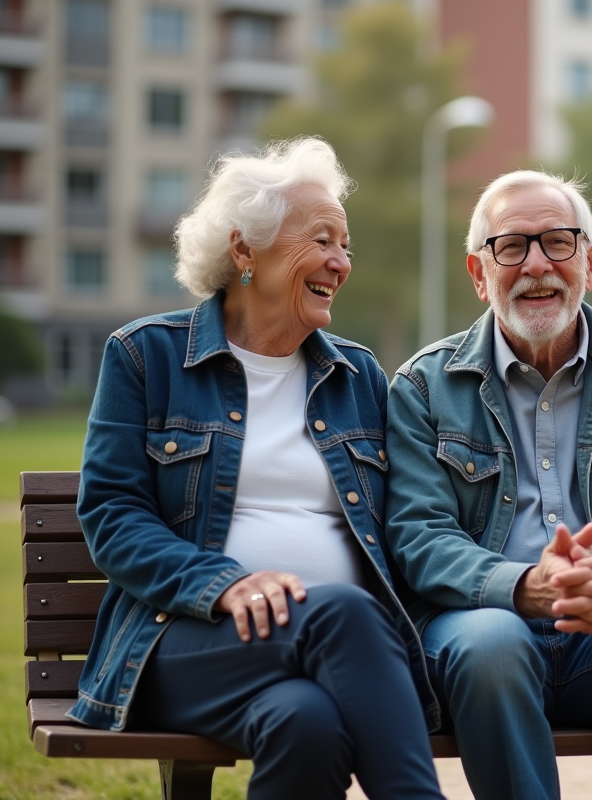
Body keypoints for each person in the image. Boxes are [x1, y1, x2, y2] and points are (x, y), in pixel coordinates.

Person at [71, 138, 446, 800]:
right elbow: (112, 513)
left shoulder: (357, 375)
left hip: (326, 659)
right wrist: (221, 584)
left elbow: (410, 521)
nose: (341, 262)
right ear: (245, 251)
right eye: (323, 240)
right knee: (345, 615)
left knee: (309, 723)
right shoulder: (145, 356)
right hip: (185, 642)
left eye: (347, 246)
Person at [385, 170, 592, 800]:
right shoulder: (424, 386)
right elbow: (418, 534)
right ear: (478, 275)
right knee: (491, 646)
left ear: (589, 263)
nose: (536, 266)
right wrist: (524, 588)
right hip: (481, 627)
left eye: (558, 243)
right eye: (511, 248)